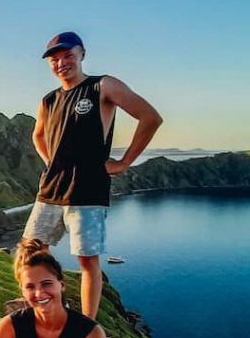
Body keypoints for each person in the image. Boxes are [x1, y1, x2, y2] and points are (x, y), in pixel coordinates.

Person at [25, 31, 162, 318]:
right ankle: (46, 311)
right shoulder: (48, 100)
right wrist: (53, 162)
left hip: (87, 191)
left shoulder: (102, 86)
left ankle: (84, 326)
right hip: (50, 189)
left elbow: (150, 117)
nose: (61, 63)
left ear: (82, 54)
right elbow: (38, 136)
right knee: (33, 253)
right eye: (55, 59)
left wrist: (124, 162)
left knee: (87, 261)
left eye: (68, 56)